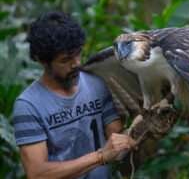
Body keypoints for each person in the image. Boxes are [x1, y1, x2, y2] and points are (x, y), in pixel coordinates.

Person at [12, 11, 136, 179]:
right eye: (65, 60)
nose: (76, 63)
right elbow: (37, 173)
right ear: (42, 61)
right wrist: (100, 157)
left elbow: (116, 136)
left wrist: (143, 126)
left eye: (78, 53)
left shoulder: (96, 84)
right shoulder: (28, 105)